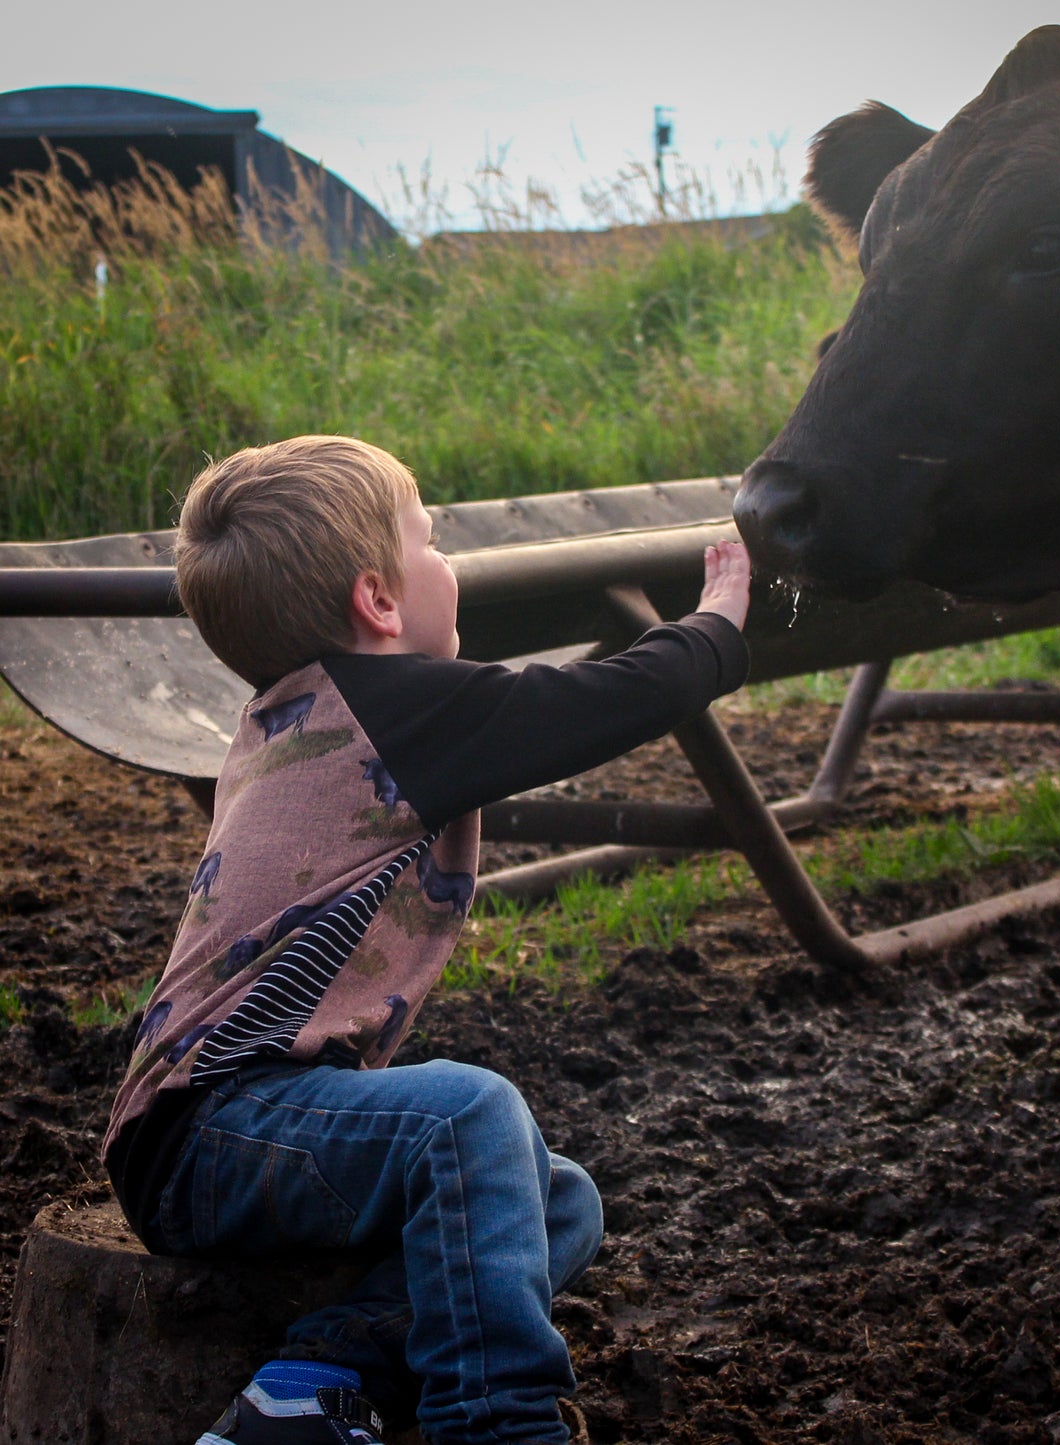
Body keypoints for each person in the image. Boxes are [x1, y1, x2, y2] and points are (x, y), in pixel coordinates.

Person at [102, 434, 751, 1445]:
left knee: (554, 1200)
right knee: (467, 1113)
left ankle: (311, 1384)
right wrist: (717, 625)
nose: (452, 562)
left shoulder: (299, 709)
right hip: (216, 1131)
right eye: (433, 539)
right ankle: (497, 1422)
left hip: (221, 1138)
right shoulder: (389, 705)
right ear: (379, 599)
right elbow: (605, 700)